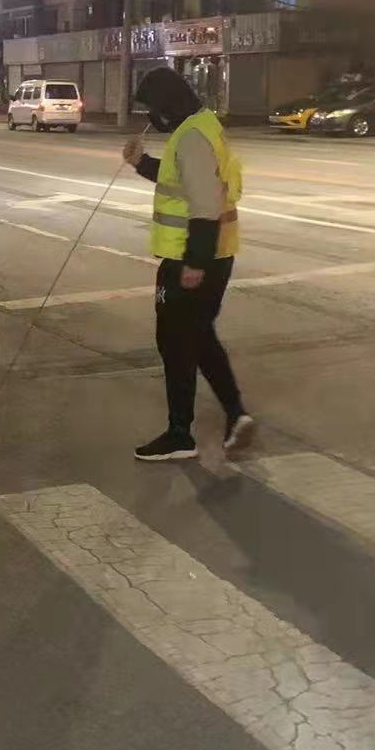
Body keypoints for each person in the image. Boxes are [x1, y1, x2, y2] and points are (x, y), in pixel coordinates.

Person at [121, 68, 254, 462]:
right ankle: (236, 414)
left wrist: (194, 262)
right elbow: (181, 181)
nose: (153, 117)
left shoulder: (192, 137)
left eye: (153, 107)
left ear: (168, 103)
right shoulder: (202, 127)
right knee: (198, 336)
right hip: (215, 254)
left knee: (175, 342)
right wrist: (141, 163)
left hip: (191, 258)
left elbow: (204, 204)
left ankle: (180, 434)